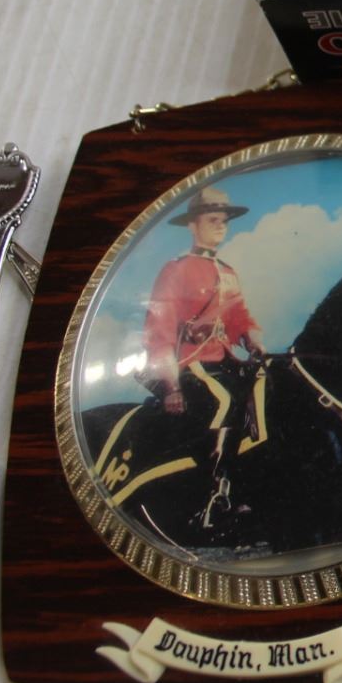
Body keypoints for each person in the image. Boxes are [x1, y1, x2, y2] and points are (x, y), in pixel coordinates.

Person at [141, 185, 266, 529]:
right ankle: (213, 495)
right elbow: (159, 331)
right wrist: (171, 386)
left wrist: (253, 341)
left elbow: (240, 318)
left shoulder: (228, 272)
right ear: (192, 225)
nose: (221, 226)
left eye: (224, 220)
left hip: (224, 360)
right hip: (189, 363)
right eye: (213, 220)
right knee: (224, 400)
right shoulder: (175, 270)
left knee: (265, 391)